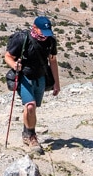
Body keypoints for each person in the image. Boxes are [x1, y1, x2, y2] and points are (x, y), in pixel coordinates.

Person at [6, 15, 61, 147]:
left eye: (48, 32)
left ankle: (26, 132)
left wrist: (57, 83)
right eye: (43, 31)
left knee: (33, 107)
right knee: (30, 106)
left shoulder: (50, 41)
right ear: (34, 28)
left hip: (40, 77)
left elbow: (52, 61)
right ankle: (31, 136)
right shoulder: (22, 39)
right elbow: (8, 56)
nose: (45, 35)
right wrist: (14, 65)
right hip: (24, 77)